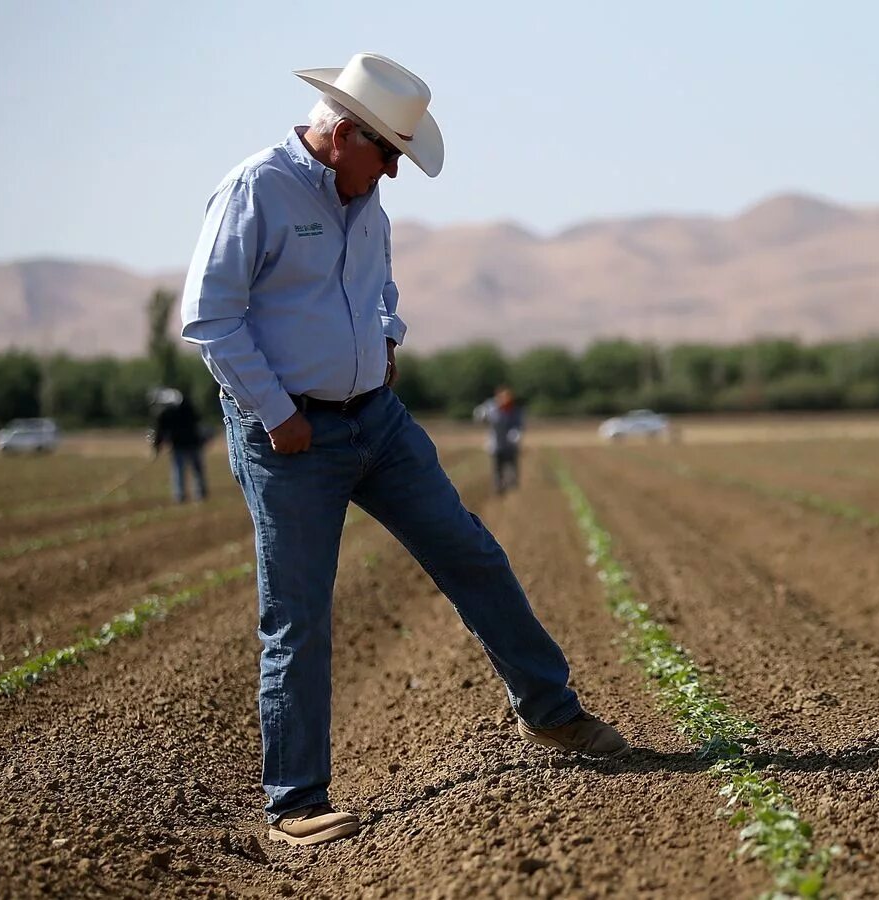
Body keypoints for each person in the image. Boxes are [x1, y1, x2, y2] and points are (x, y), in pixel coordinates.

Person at [180, 52, 627, 847]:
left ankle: (550, 712)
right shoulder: (258, 189)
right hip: (292, 438)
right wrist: (280, 413)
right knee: (300, 614)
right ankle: (296, 803)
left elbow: (382, 293)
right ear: (344, 133)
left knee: (471, 552)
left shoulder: (367, 206)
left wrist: (386, 339)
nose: (392, 171)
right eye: (387, 153)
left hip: (376, 421)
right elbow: (212, 317)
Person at [148, 387, 208, 503]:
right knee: (194, 469)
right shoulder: (187, 407)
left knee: (182, 470)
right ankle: (196, 494)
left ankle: (181, 496)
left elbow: (160, 433)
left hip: (184, 444)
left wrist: (156, 449)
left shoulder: (164, 413)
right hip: (190, 443)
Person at [473, 386, 524, 494]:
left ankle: (512, 484)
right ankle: (498, 486)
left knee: (511, 466)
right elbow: (479, 414)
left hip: (510, 445)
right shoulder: (490, 407)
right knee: (497, 467)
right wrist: (481, 415)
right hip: (496, 443)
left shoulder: (515, 410)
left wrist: (516, 434)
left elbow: (519, 425)